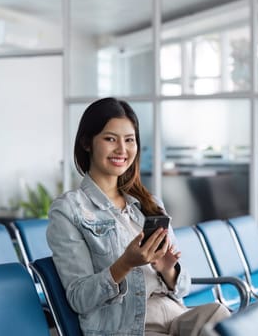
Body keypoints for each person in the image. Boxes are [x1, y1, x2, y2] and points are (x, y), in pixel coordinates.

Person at [47, 97, 230, 336]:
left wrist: (167, 269)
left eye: (129, 140)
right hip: (128, 327)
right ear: (87, 143)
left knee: (220, 315)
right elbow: (79, 298)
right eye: (110, 139)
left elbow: (182, 287)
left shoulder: (149, 204)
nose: (122, 150)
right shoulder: (69, 210)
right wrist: (125, 264)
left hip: (175, 315)